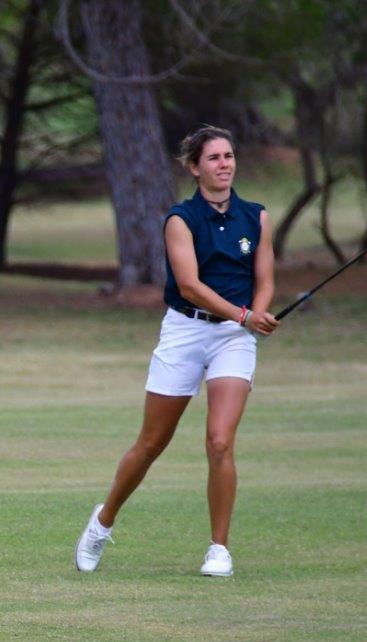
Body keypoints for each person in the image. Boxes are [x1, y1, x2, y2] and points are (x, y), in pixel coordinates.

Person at [75, 126, 279, 577]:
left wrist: (256, 318)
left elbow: (264, 279)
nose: (224, 164)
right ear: (194, 168)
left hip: (234, 338)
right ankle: (103, 521)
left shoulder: (256, 217)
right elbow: (190, 285)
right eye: (213, 158)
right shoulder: (180, 220)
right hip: (186, 330)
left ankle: (219, 549)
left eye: (229, 156)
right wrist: (245, 316)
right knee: (152, 443)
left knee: (220, 441)